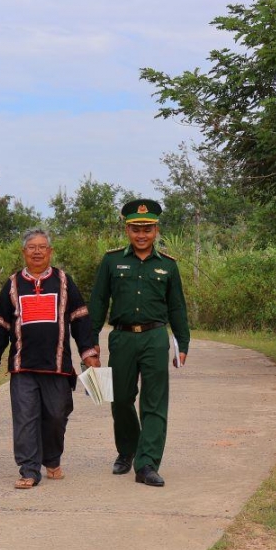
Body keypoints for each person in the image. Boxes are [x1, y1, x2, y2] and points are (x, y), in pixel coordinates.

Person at [0, 228, 100, 489]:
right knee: (25, 417)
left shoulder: (64, 282)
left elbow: (80, 318)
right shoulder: (13, 284)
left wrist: (88, 352)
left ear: (50, 252)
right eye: (31, 247)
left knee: (57, 415)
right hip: (22, 367)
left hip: (57, 367)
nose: (37, 251)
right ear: (24, 252)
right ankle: (29, 469)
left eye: (42, 247)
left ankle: (52, 459)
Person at [88, 199, 189, 487]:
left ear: (156, 230)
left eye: (147, 229)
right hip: (120, 338)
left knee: (154, 402)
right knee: (119, 398)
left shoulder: (168, 266)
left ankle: (147, 464)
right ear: (127, 230)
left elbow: (177, 308)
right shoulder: (111, 261)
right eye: (135, 229)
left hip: (155, 338)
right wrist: (89, 344)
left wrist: (182, 344)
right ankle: (127, 449)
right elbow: (97, 303)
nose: (141, 235)